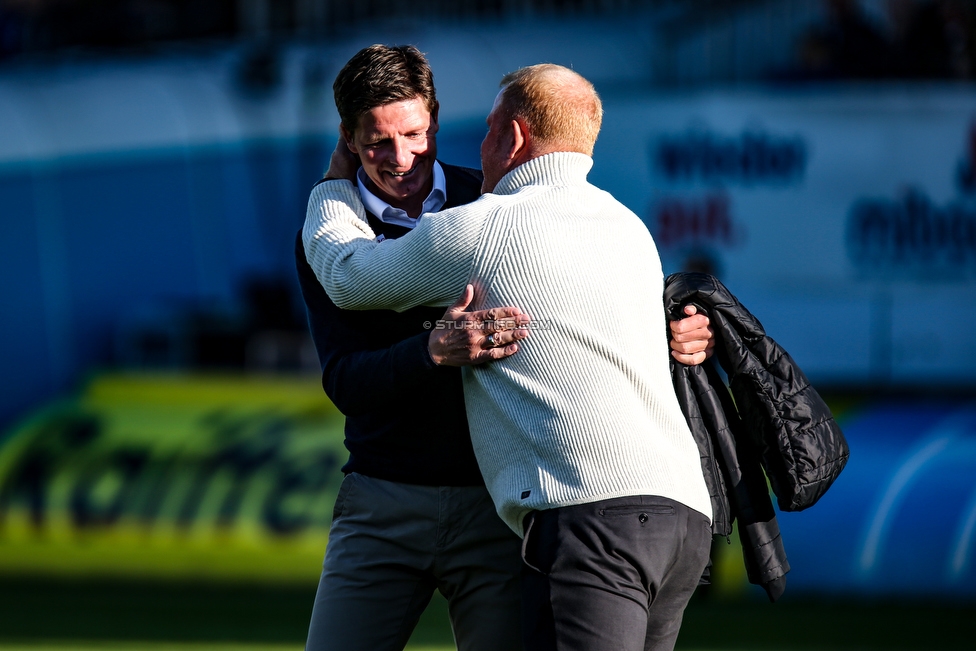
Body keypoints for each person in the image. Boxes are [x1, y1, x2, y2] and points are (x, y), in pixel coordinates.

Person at [303, 60, 713, 651]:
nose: (399, 157)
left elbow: (349, 272)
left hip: (503, 509)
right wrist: (430, 352)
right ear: (348, 139)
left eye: (414, 135)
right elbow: (345, 380)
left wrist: (674, 334)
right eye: (376, 142)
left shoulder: (484, 209)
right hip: (387, 494)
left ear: (438, 121)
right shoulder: (620, 221)